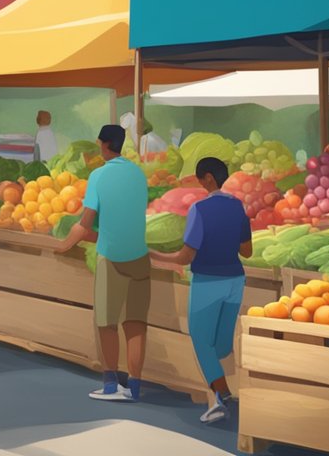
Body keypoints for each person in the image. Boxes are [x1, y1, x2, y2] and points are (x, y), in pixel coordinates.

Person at [152, 156, 253, 424]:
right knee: (221, 344)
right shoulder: (238, 206)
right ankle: (223, 389)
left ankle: (222, 396)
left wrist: (156, 255)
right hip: (235, 281)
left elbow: (185, 257)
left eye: (199, 179)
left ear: (207, 178)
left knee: (200, 339)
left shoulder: (199, 209)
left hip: (208, 281)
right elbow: (247, 250)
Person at [55, 124, 151, 402]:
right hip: (140, 257)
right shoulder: (138, 173)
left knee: (106, 323)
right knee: (135, 324)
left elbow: (84, 225)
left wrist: (62, 246)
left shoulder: (98, 175)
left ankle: (110, 386)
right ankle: (134, 387)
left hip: (111, 257)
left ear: (103, 144)